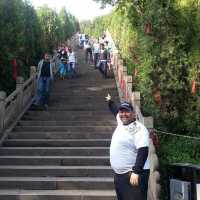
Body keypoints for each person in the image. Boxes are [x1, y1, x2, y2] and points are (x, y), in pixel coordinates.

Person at [105, 94, 150, 200]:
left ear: (133, 114)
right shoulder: (121, 121)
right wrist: (110, 101)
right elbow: (115, 110)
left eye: (127, 111)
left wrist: (136, 171)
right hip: (120, 176)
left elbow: (143, 150)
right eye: (122, 111)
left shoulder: (139, 129)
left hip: (133, 175)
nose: (123, 114)